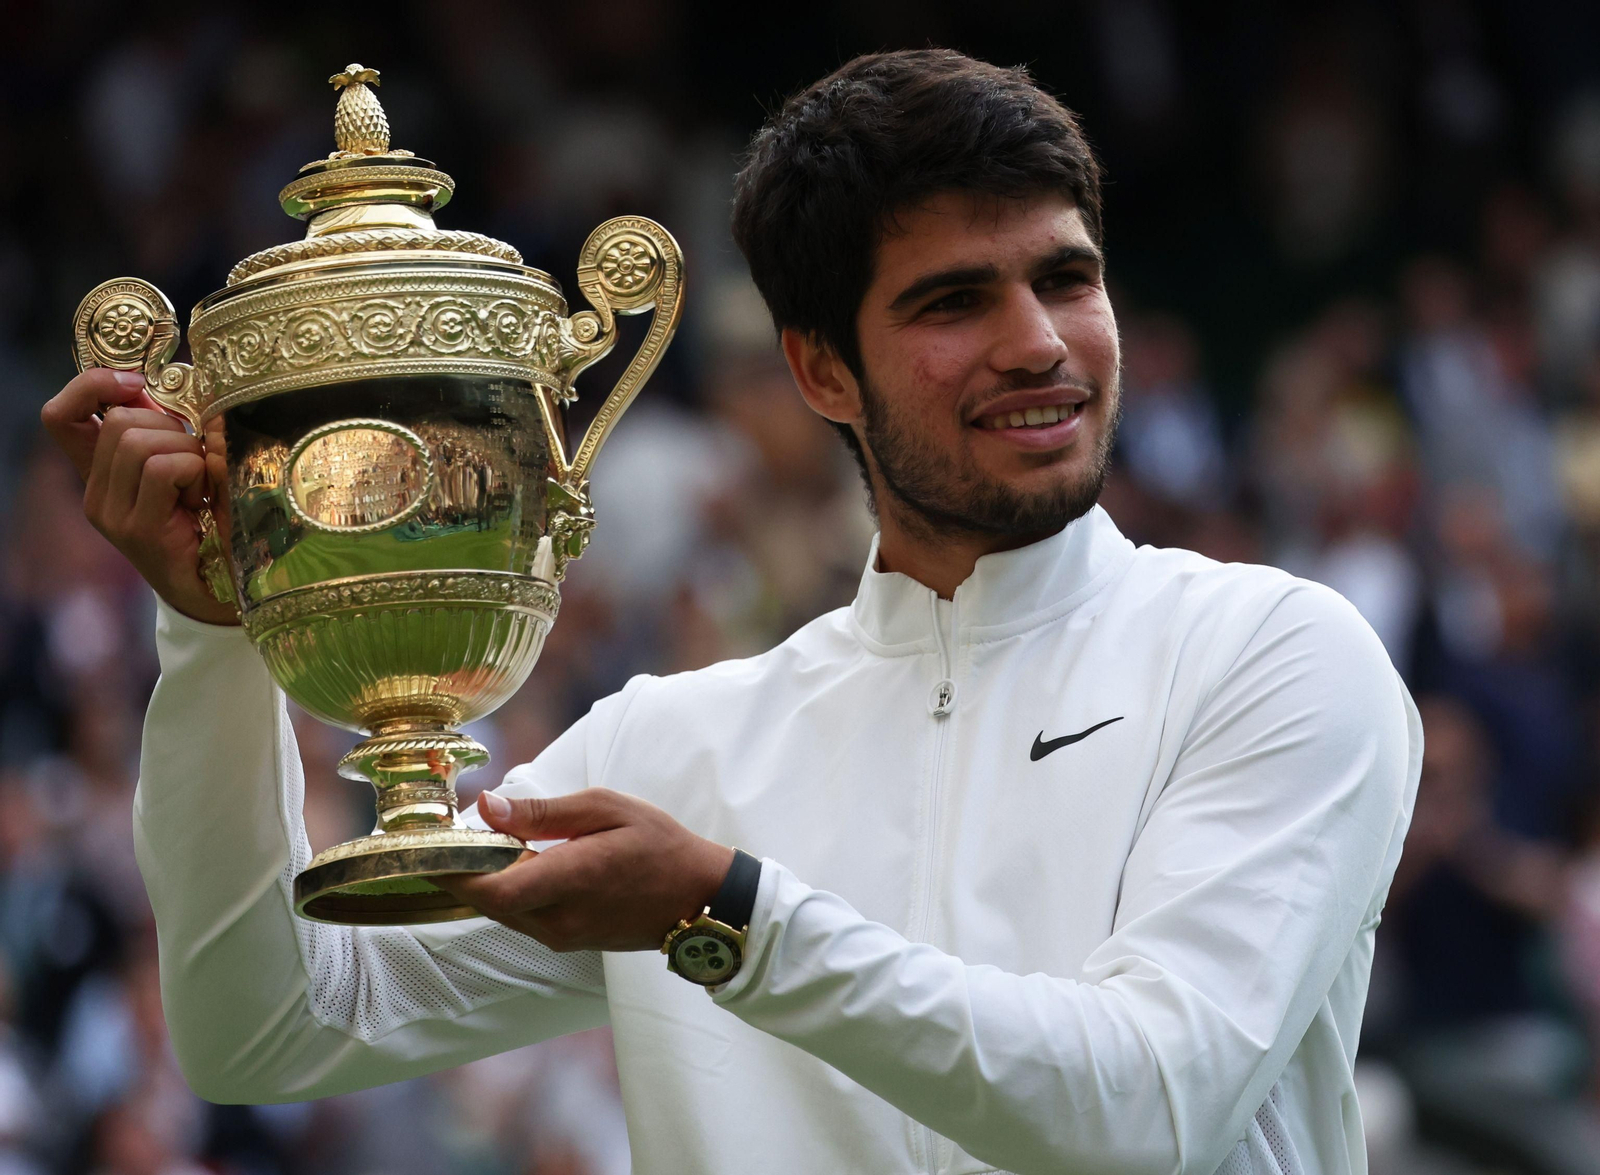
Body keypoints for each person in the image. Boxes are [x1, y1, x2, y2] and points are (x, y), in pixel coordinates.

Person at [41, 49, 1420, 1175]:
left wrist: (726, 918)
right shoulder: (672, 755)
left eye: (1066, 277)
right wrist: (215, 635)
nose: (1041, 342)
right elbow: (264, 1032)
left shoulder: (1275, 658)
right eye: (956, 300)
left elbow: (1146, 1115)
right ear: (820, 370)